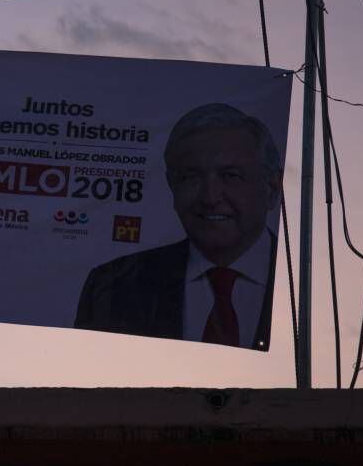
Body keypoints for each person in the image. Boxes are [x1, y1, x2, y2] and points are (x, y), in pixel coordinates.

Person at [74, 103, 281, 350]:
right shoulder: (111, 286)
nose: (210, 197)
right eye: (191, 177)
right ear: (171, 186)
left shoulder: (304, 288)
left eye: (230, 176)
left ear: (271, 188)